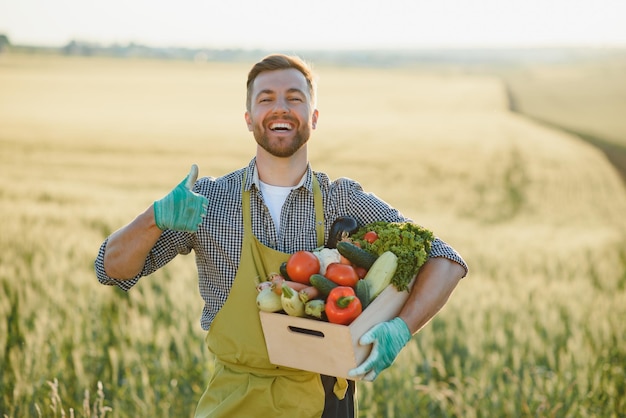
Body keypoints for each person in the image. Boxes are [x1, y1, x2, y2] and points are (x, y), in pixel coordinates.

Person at [94, 53, 468, 418]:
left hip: (323, 402)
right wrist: (155, 217)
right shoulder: (207, 202)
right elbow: (111, 269)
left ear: (314, 117)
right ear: (248, 118)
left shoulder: (342, 199)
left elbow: (446, 260)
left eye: (295, 98)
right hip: (234, 402)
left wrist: (402, 329)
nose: (280, 108)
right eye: (266, 98)